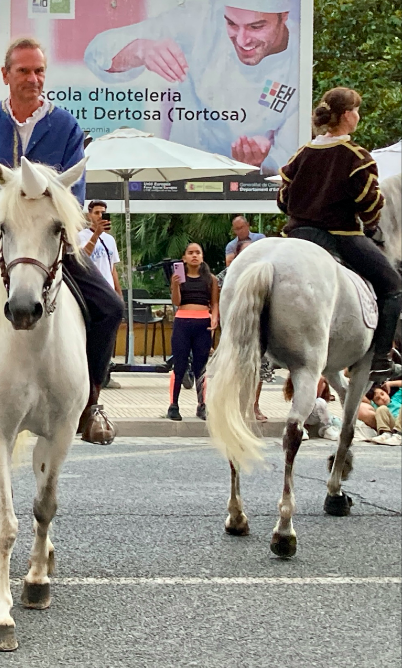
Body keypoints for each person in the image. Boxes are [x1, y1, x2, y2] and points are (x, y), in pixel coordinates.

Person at [0, 37, 123, 446]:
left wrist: (68, 224)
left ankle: (92, 402)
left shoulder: (65, 126)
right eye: (25, 71)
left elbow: (75, 186)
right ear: (6, 75)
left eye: (39, 71)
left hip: (47, 236)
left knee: (109, 307)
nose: (34, 79)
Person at [84, 0, 299, 174]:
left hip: (241, 187)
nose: (242, 40)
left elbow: (289, 161)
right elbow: (96, 52)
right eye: (232, 24)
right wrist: (141, 49)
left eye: (256, 27)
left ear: (284, 17)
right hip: (183, 171)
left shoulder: (300, 59)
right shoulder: (201, 17)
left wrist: (257, 163)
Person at [278, 87, 402, 382]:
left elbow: (283, 200)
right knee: (392, 285)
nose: (358, 117)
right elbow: (369, 205)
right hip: (339, 235)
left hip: (295, 235)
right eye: (356, 111)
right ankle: (381, 359)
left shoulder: (301, 154)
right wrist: (371, 224)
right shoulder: (356, 156)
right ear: (347, 115)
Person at [217, 238, 271, 421]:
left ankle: (254, 406)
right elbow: (217, 293)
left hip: (260, 328)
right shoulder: (230, 274)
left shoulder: (265, 274)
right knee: (236, 367)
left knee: (260, 368)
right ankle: (234, 407)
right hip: (237, 328)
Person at [167, 243, 219, 421]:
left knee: (201, 366)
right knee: (179, 365)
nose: (194, 256)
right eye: (190, 253)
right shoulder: (179, 277)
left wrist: (215, 318)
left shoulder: (210, 279)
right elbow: (177, 301)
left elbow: (214, 302)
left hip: (202, 322)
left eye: (198, 252)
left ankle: (202, 405)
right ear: (184, 258)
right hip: (182, 321)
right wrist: (174, 286)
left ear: (202, 256)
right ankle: (173, 405)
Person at [79, 200, 122, 390]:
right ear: (89, 215)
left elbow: (112, 267)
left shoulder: (110, 240)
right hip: (91, 290)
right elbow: (82, 257)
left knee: (108, 333)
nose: (100, 216)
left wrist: (118, 292)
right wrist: (95, 235)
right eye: (96, 213)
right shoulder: (81, 236)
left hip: (107, 290)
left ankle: (105, 372)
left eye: (103, 213)